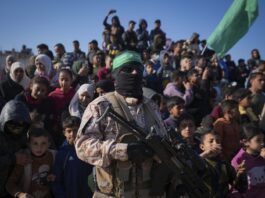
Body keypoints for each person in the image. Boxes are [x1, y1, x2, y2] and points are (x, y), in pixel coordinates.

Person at [75, 51, 173, 197]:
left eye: (138, 69)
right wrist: (123, 150)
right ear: (115, 75)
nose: (134, 73)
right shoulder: (100, 106)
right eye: (127, 69)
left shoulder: (151, 107)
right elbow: (82, 147)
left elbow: (164, 143)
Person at [6, 127, 56, 198]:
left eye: (43, 143)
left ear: (48, 144)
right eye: (35, 143)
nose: (39, 147)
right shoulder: (23, 159)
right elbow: (9, 184)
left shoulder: (53, 156)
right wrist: (20, 194)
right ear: (28, 144)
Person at [53, 116, 93, 198]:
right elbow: (56, 181)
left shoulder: (90, 149)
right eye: (69, 131)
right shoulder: (62, 154)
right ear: (64, 133)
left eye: (75, 130)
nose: (72, 134)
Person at [199, 131, 247, 197]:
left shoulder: (225, 165)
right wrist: (205, 153)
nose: (215, 144)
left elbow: (242, 188)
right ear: (202, 147)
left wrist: (241, 174)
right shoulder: (199, 163)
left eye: (218, 141)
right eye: (211, 141)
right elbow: (190, 167)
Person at [0, 100, 31, 197]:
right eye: (12, 124)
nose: (15, 128)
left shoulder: (25, 136)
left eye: (20, 125)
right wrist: (13, 159)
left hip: (14, 187)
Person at [231, 123, 265, 197]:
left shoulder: (263, 156)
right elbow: (235, 187)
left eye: (263, 140)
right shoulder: (238, 160)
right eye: (258, 140)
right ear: (245, 142)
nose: (262, 143)